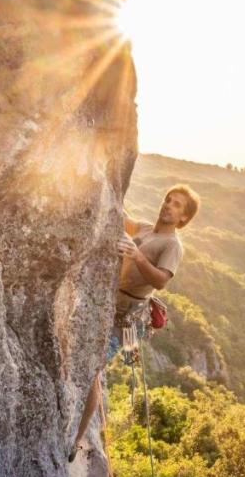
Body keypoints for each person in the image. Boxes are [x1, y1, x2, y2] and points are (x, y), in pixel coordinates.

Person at [70, 184, 200, 461]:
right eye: (168, 199)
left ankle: (76, 438)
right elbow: (121, 217)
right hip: (109, 304)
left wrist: (136, 255)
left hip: (127, 318)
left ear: (183, 218)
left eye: (177, 205)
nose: (168, 205)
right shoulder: (143, 228)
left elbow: (161, 281)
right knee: (83, 359)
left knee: (93, 369)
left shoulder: (172, 245)